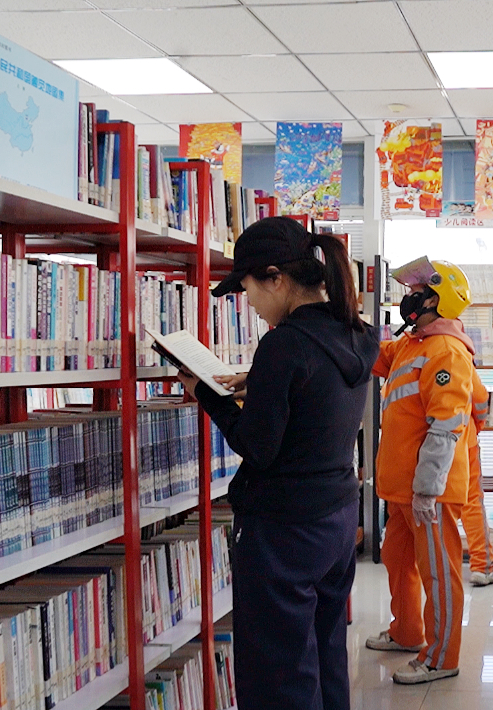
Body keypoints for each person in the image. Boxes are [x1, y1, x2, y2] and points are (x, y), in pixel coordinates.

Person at [179, 216, 378, 710]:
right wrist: (260, 380)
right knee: (326, 650)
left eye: (247, 287)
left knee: (279, 674)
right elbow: (316, 392)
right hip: (337, 515)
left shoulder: (283, 344)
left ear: (276, 278)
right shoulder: (357, 333)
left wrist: (206, 394)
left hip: (283, 529)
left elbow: (259, 447)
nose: (247, 301)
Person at [365, 256, 476, 685]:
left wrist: (427, 489)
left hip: (428, 492)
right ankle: (407, 632)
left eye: (416, 293)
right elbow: (372, 354)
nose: (408, 299)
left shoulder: (446, 351)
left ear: (437, 300)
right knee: (397, 561)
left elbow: (446, 426)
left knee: (438, 574)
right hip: (400, 490)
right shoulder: (412, 345)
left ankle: (441, 658)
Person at [462, 370, 493, 587]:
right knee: (472, 504)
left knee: (435, 509)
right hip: (463, 442)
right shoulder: (459, 355)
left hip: (423, 446)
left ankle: (440, 568)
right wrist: (476, 427)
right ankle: (482, 567)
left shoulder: (410, 355)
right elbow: (480, 399)